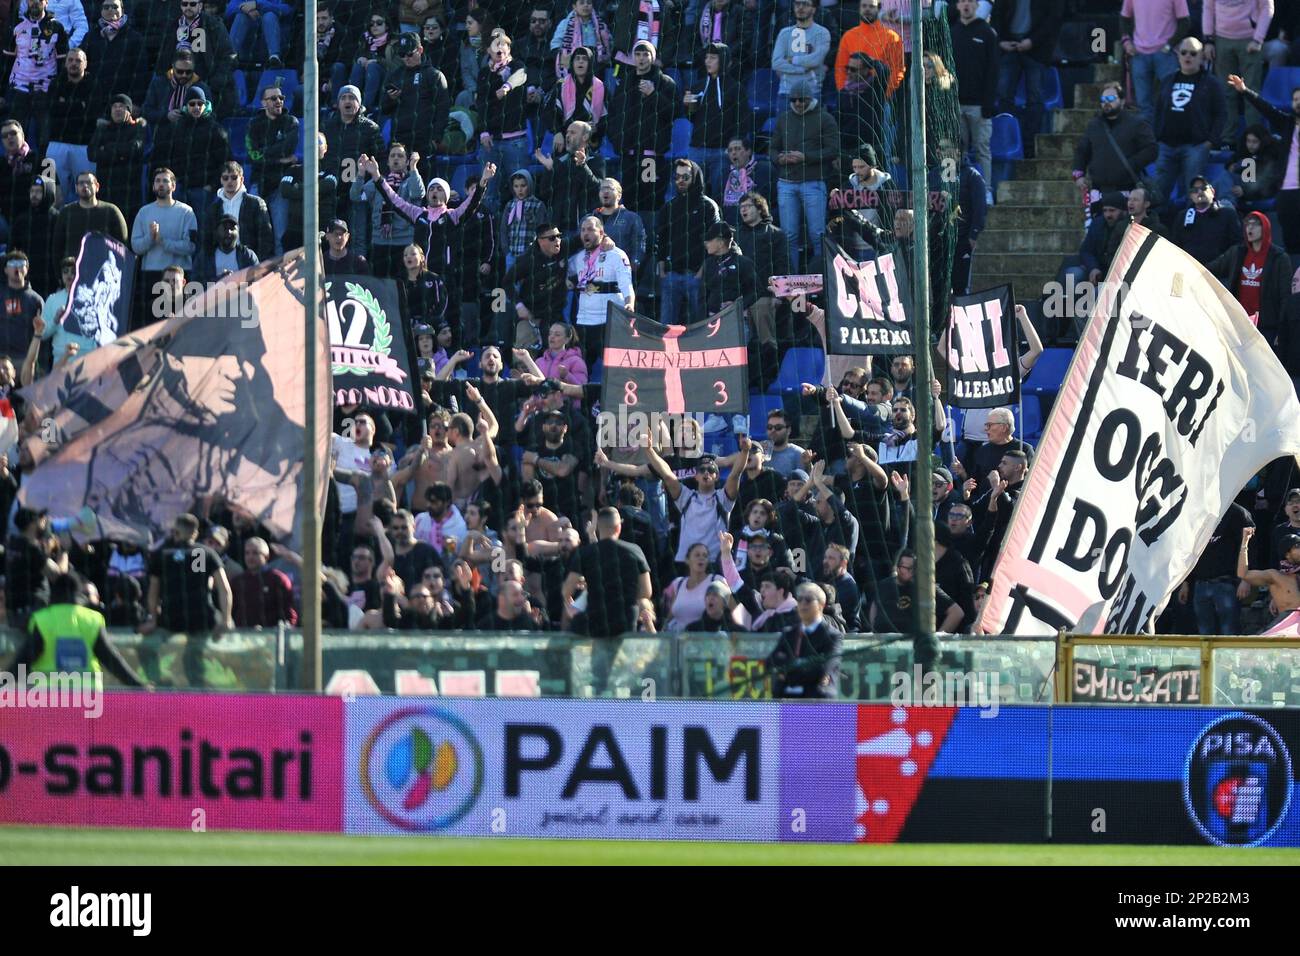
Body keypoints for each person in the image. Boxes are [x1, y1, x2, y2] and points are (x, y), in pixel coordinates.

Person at [18, 572, 146, 686]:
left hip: (48, 698)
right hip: (88, 700)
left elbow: (25, 658)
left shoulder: (42, 619)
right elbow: (111, 659)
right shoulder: (93, 619)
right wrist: (138, 685)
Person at [645, 434, 750, 566]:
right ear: (696, 476)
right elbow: (667, 475)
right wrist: (649, 450)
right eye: (702, 470)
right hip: (685, 563)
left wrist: (745, 451)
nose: (706, 472)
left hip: (713, 563)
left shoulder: (723, 498)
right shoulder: (686, 497)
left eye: (711, 469)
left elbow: (735, 474)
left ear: (717, 477)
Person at [1225, 74, 1300, 256]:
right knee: (1291, 244)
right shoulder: (1287, 124)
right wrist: (1244, 91)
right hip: (1287, 192)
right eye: (1295, 99)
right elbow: (1266, 108)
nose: (1298, 102)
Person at [770, 78, 840, 272]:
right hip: (786, 183)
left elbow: (833, 150)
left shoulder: (825, 118)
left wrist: (805, 157)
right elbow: (772, 148)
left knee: (818, 235)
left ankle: (821, 277)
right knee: (789, 236)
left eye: (802, 100)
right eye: (794, 100)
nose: (799, 103)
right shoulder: (783, 119)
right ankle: (792, 281)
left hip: (813, 182)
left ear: (811, 98)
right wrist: (780, 158)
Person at [606, 39, 676, 224]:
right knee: (628, 199)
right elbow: (613, 114)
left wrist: (654, 95)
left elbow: (673, 113)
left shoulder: (665, 83)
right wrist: (616, 140)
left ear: (653, 57)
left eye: (646, 54)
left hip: (650, 157)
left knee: (649, 200)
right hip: (628, 155)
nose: (641, 58)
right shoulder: (625, 83)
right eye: (638, 54)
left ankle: (650, 242)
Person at [1154, 39, 1227, 213]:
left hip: (1196, 146)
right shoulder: (1167, 80)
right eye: (1184, 52)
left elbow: (1221, 114)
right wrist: (1156, 136)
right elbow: (1156, 110)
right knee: (1157, 194)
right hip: (1166, 145)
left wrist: (1210, 141)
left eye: (1193, 53)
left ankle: (1189, 231)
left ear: (1201, 57)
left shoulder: (1212, 83)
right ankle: (1156, 230)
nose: (1188, 56)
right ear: (1178, 55)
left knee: (1192, 195)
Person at [563, 506, 653, 636]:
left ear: (598, 528)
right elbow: (646, 591)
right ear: (618, 528)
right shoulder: (635, 551)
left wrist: (571, 604)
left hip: (594, 620)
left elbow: (566, 590)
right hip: (625, 620)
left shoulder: (586, 553)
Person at [1071, 81, 1158, 212]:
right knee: (1097, 229)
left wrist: (1131, 164)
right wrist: (1079, 174)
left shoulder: (1136, 124)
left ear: (1122, 101)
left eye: (1111, 98)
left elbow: (1152, 149)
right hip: (1098, 191)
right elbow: (1082, 151)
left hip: (1126, 190)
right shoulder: (1094, 125)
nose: (1106, 102)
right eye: (1103, 99)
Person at [992, 0, 1064, 155]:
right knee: (1004, 96)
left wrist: (1033, 41)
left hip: (1037, 51)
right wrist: (1001, 42)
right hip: (1009, 48)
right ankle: (1007, 142)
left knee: (1035, 98)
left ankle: (1029, 147)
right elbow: (997, 15)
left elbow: (1053, 18)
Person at [1207, 212, 1292, 341]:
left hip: (1267, 326)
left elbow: (1285, 295)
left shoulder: (1279, 258)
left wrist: (1282, 329)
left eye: (1255, 225)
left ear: (1265, 228)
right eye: (1247, 225)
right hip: (1240, 323)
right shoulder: (1238, 252)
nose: (1250, 228)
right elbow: (1212, 268)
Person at [658, 158, 719, 326]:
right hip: (671, 275)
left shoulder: (708, 206)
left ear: (695, 177)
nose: (680, 181)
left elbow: (715, 241)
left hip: (697, 275)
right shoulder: (669, 207)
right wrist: (662, 271)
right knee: (666, 327)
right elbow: (661, 239)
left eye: (685, 177)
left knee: (700, 326)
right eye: (677, 177)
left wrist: (702, 271)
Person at [568, 214, 634, 366]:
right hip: (583, 321)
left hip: (608, 320)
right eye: (583, 230)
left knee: (613, 367)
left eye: (590, 229)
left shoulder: (616, 255)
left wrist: (629, 303)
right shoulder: (578, 258)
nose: (586, 233)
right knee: (582, 367)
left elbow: (626, 284)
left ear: (602, 233)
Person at [1179, 501, 1254, 635]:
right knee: (1204, 633)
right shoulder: (1198, 511)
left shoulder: (1237, 512)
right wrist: (1185, 582)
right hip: (1200, 584)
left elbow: (1250, 547)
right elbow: (1190, 550)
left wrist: (1246, 579)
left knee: (1229, 632)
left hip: (1226, 583)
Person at [1204, 0, 1272, 147]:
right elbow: (1208, 7)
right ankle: (1226, 139)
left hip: (1249, 40)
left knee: (1251, 93)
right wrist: (1208, 39)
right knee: (1226, 93)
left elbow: (1267, 7)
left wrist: (1258, 39)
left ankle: (1254, 141)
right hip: (1222, 40)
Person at [1120, 0, 1192, 126]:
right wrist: (1127, 42)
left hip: (1165, 54)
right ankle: (1148, 142)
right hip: (1140, 54)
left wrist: (1170, 45)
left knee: (1172, 102)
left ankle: (1170, 140)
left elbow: (1185, 21)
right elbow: (1124, 18)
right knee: (1143, 105)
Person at [950, 0, 998, 184]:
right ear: (958, 6)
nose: (966, 5)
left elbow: (993, 72)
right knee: (954, 150)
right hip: (956, 104)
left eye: (970, 1)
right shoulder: (953, 32)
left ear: (977, 5)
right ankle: (955, 191)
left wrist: (988, 104)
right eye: (963, 1)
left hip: (979, 105)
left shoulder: (987, 33)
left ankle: (985, 190)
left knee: (982, 149)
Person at [766, 581, 842, 697]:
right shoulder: (789, 633)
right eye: (800, 599)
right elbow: (771, 662)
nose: (803, 604)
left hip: (816, 699)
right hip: (785, 696)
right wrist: (803, 666)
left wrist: (788, 672)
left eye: (808, 600)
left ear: (821, 605)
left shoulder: (832, 636)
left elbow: (822, 670)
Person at [89, 96, 147, 228]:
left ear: (129, 111)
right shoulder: (102, 129)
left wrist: (108, 148)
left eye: (122, 106)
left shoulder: (138, 128)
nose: (117, 109)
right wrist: (121, 153)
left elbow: (135, 149)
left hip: (129, 193)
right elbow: (92, 153)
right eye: (114, 106)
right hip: (106, 190)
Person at [204, 161, 274, 261]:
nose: (229, 181)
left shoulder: (256, 203)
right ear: (221, 180)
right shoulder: (214, 208)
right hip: (221, 261)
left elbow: (265, 237)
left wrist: (260, 263)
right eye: (225, 178)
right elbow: (208, 239)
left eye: (234, 177)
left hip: (249, 261)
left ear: (241, 179)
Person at [834, 0, 904, 94]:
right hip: (852, 95)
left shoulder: (892, 37)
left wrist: (885, 94)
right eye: (864, 6)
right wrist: (842, 92)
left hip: (880, 96)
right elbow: (840, 67)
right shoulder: (848, 36)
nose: (867, 9)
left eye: (871, 6)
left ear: (879, 9)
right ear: (859, 8)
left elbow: (897, 69)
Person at [772, 0, 832, 109]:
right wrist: (802, 68)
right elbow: (776, 63)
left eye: (805, 4)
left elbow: (815, 60)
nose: (800, 7)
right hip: (786, 93)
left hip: (811, 93)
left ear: (813, 9)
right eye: (797, 3)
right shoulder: (784, 33)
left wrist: (792, 60)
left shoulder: (822, 33)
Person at [1170, 175, 1241, 263]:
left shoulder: (1227, 214)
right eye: (1194, 190)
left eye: (1203, 188)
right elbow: (1176, 246)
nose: (1199, 192)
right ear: (1191, 196)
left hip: (1218, 272)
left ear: (1212, 191)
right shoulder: (1182, 217)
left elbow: (1236, 246)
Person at [1238, 526, 1300, 627]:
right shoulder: (1275, 576)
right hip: (1287, 629)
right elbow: (1243, 574)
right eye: (1297, 546)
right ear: (1287, 555)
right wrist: (1245, 542)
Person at [231, 537, 296, 628]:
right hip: (243, 637)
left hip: (271, 638)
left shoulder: (278, 580)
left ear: (266, 557)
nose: (250, 557)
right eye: (247, 553)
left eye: (255, 553)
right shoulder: (237, 582)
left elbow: (289, 616)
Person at [700, 220, 757, 317]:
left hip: (738, 318)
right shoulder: (708, 264)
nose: (706, 243)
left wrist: (738, 305)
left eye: (710, 240)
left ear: (721, 243)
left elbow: (756, 291)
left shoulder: (743, 263)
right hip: (712, 320)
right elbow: (703, 295)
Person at [195, 214, 259, 283]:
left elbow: (258, 281)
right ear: (216, 231)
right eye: (225, 228)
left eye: (232, 229)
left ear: (238, 232)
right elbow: (195, 284)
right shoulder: (204, 257)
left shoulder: (248, 255)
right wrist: (219, 281)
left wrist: (237, 280)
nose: (228, 232)